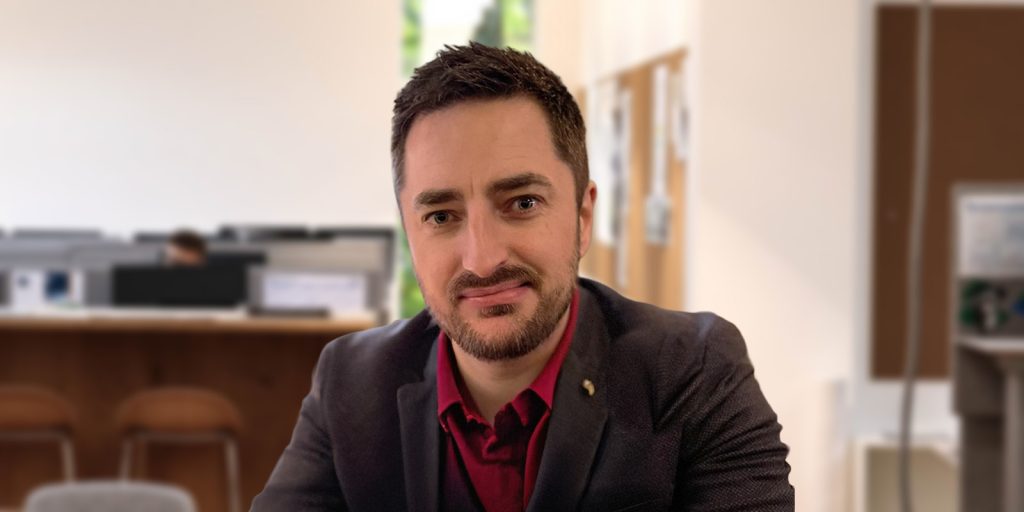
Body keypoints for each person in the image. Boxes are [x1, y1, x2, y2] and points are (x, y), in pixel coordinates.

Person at [253, 43, 793, 511]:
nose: (482, 260)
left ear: (582, 216)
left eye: (522, 203)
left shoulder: (693, 372)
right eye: (440, 216)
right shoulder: (351, 381)